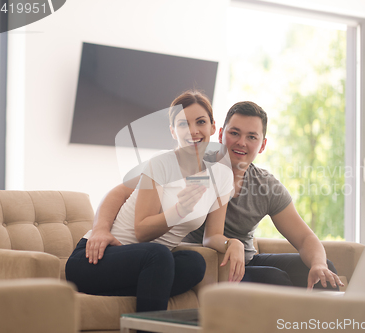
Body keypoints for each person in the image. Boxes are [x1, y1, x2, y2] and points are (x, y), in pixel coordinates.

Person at [85, 100, 343, 290]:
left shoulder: (266, 185)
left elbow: (305, 238)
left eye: (251, 137)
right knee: (277, 281)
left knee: (324, 271)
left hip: (246, 259)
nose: (241, 142)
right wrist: (100, 229)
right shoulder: (189, 162)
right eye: (234, 133)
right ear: (220, 134)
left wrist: (318, 263)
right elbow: (118, 194)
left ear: (262, 145)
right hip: (206, 260)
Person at [65, 90, 243, 314]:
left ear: (212, 127)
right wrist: (179, 211)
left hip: (151, 264)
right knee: (159, 254)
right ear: (173, 131)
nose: (194, 130)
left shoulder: (221, 177)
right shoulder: (160, 164)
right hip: (97, 259)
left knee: (194, 263)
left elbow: (213, 235)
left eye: (201, 122)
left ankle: (145, 288)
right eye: (183, 124)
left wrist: (233, 243)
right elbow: (141, 232)